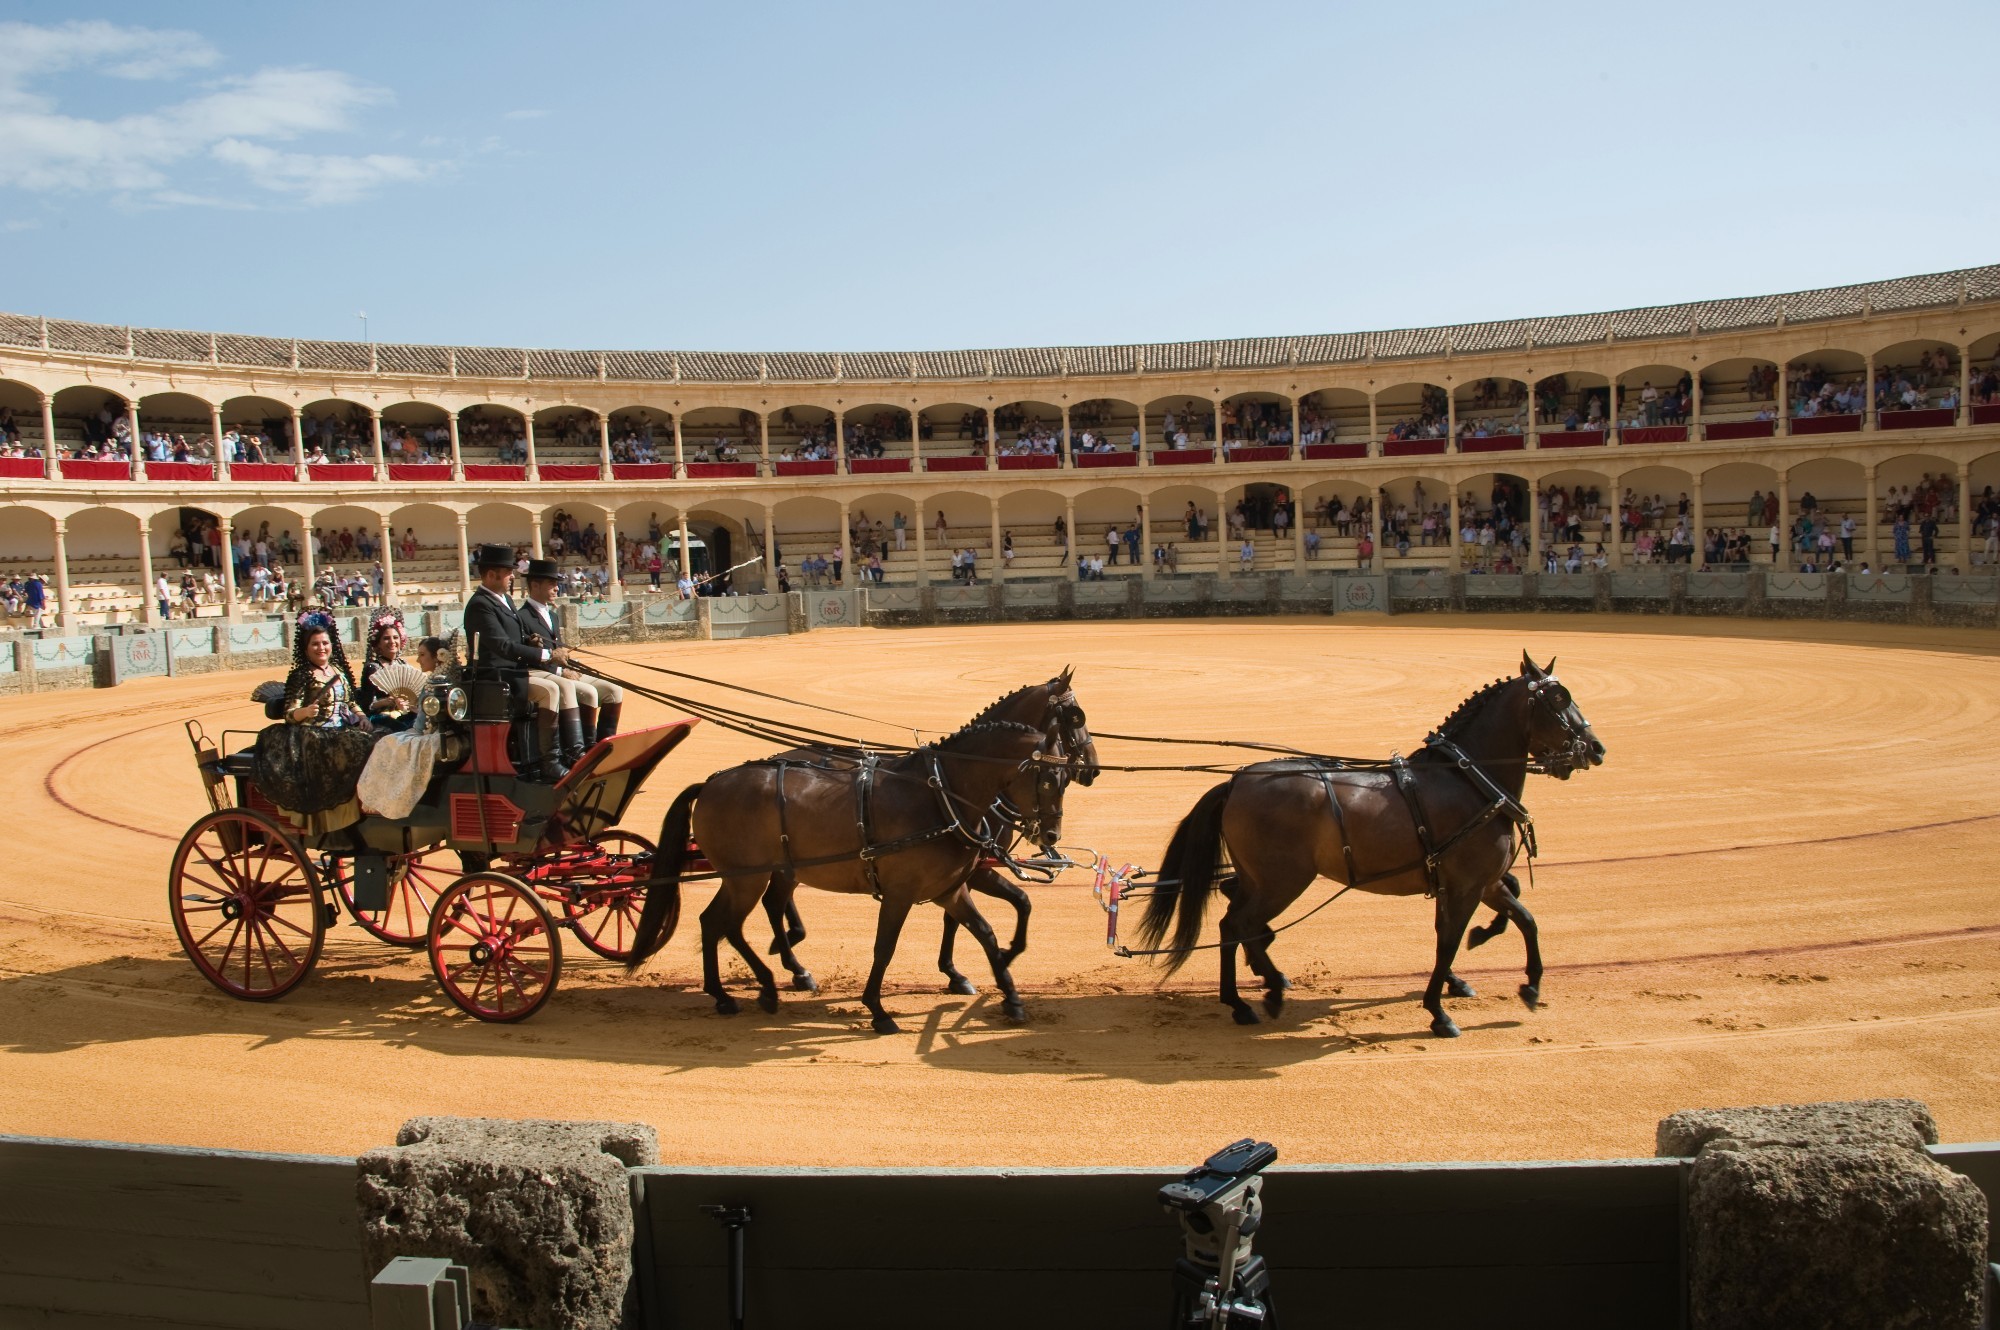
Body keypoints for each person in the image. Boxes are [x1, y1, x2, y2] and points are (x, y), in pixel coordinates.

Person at [463, 542, 571, 781]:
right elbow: (501, 646)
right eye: (508, 572)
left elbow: (517, 637)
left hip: (514, 671)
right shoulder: (480, 604)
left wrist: (531, 641)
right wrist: (546, 655)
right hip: (497, 676)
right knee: (551, 689)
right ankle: (549, 762)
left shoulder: (505, 600)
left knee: (564, 686)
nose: (513, 576)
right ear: (492, 575)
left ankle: (573, 752)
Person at [518, 558, 624, 765]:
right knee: (589, 692)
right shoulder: (522, 617)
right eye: (551, 584)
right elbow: (529, 657)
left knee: (614, 690)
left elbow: (557, 649)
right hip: (547, 674)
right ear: (535, 585)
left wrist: (570, 660)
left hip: (563, 670)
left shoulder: (553, 616)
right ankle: (582, 752)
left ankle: (603, 750)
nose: (557, 588)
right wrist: (560, 671)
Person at [353, 611, 419, 733]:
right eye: (386, 638)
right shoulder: (373, 668)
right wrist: (388, 701)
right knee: (402, 728)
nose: (392, 642)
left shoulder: (403, 664)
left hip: (403, 712)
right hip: (380, 715)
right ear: (378, 644)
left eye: (395, 637)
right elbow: (367, 704)